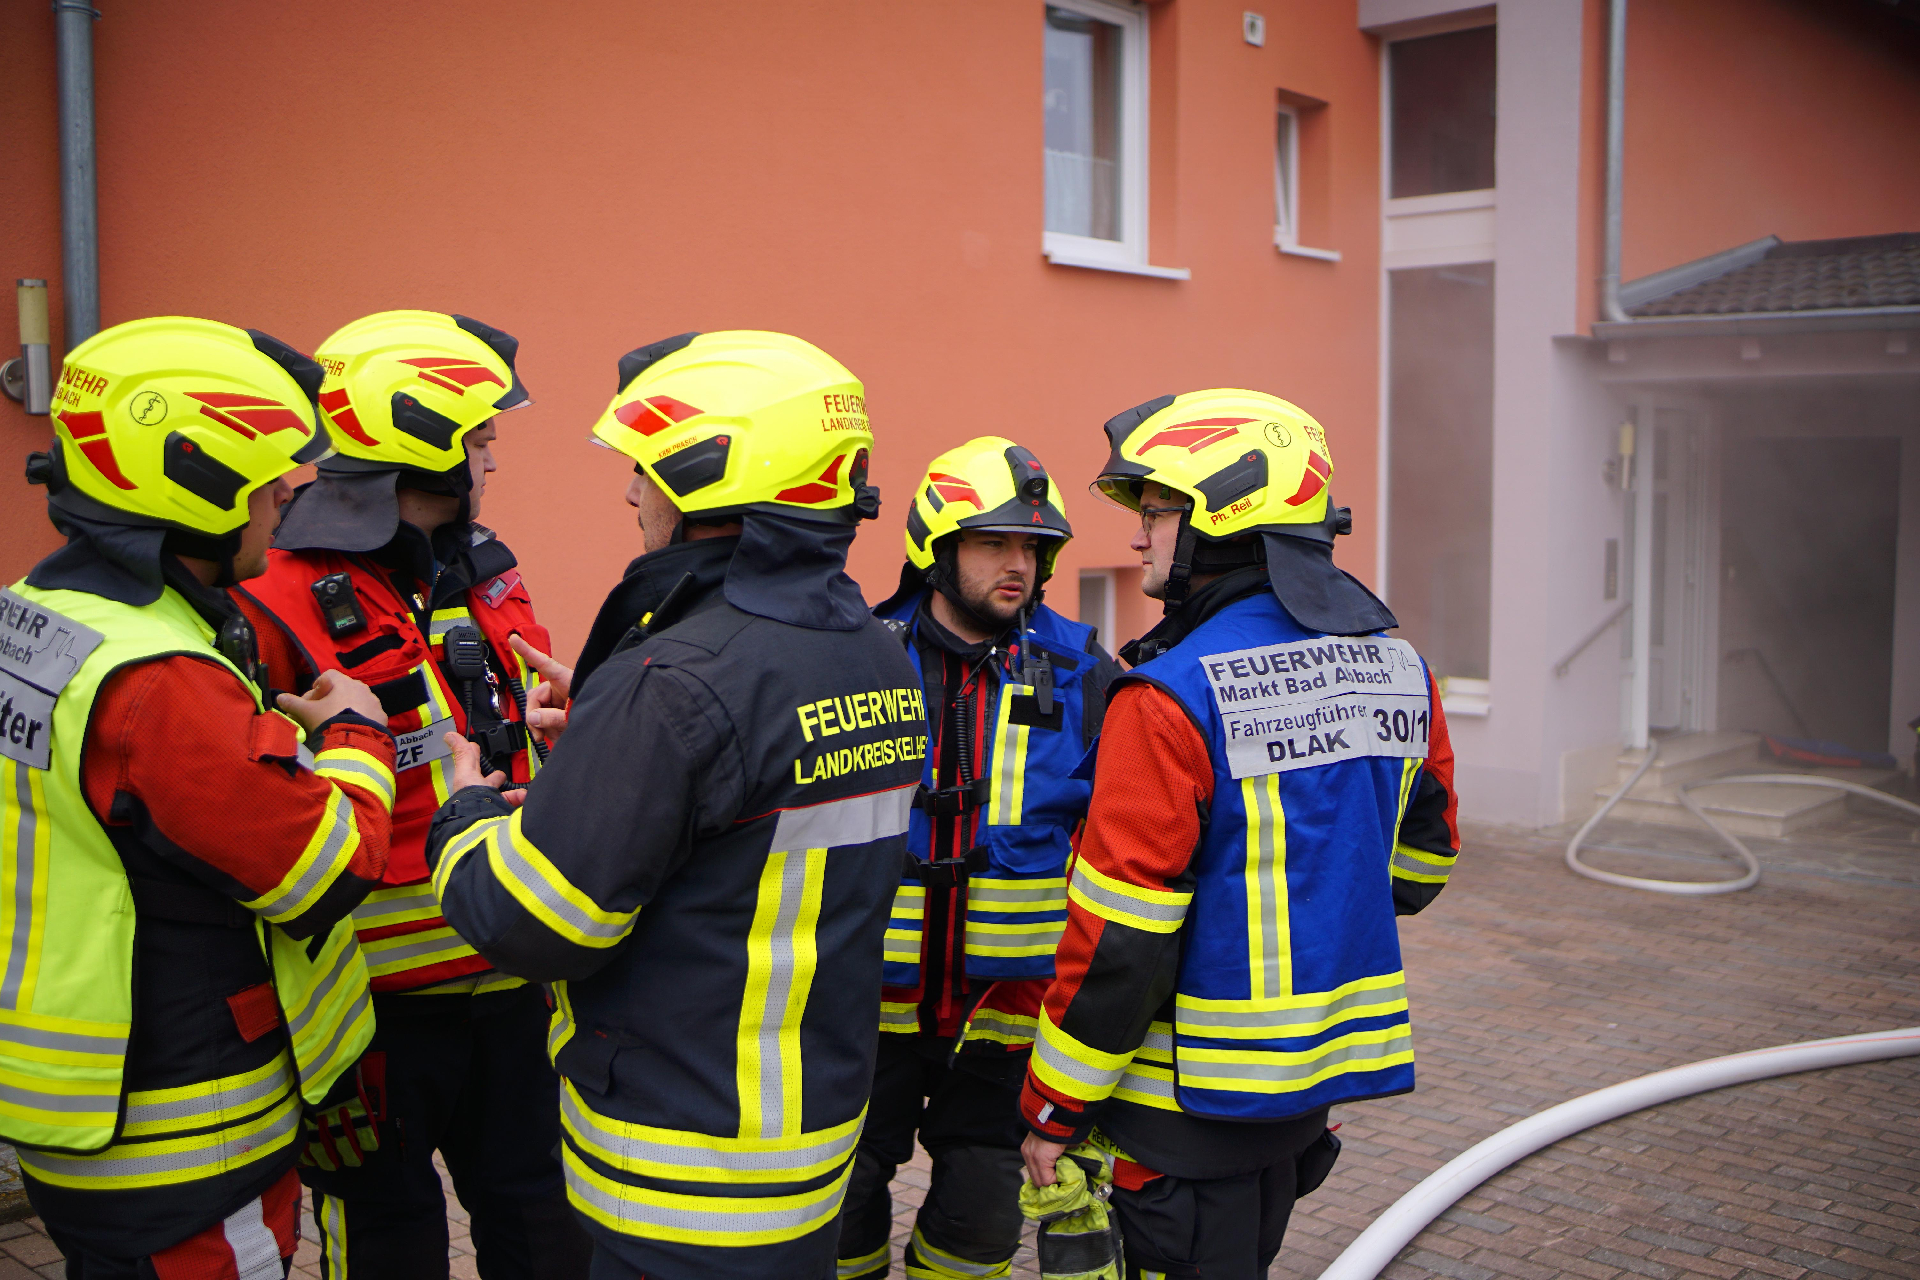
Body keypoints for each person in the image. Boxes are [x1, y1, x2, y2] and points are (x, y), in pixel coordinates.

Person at [425, 330, 926, 1280]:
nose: (629, 494)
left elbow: (535, 922)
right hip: (806, 1146)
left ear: (710, 478)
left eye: (646, 469)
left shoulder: (675, 679)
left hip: (678, 1168)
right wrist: (619, 751)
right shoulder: (874, 647)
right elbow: (757, 816)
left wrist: (465, 815)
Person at [1017, 390, 1461, 1279]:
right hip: (1304, 1095)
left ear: (1223, 517)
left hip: (1177, 1113)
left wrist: (1052, 1106)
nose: (1139, 537)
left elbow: (1121, 942)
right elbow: (1423, 865)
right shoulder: (1400, 666)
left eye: (1155, 512)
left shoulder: (1169, 697)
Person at [5, 317, 397, 1273]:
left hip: (82, 1086)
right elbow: (325, 867)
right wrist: (355, 733)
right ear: (194, 484)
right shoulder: (161, 683)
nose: (283, 497)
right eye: (266, 476)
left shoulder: (44, 610)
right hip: (183, 1119)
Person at [231, 310, 589, 1277]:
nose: (492, 461)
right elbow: (263, 807)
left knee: (546, 1233)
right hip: (373, 1015)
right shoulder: (277, 588)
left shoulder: (486, 568)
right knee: (389, 1246)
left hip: (511, 985)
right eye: (480, 437)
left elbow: (510, 726)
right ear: (420, 440)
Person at [838, 438, 1121, 1280]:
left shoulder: (1082, 671)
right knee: (839, 1219)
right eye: (995, 542)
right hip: (864, 1010)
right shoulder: (858, 657)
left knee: (977, 1229)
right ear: (937, 546)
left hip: (1007, 1019)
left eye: (1033, 548)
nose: (1019, 565)